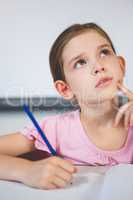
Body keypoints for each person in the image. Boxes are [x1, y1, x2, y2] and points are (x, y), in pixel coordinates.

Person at [0, 22, 133, 190]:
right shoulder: (54, 130)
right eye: (80, 62)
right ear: (65, 88)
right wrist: (26, 171)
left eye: (104, 52)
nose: (99, 66)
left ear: (121, 65)